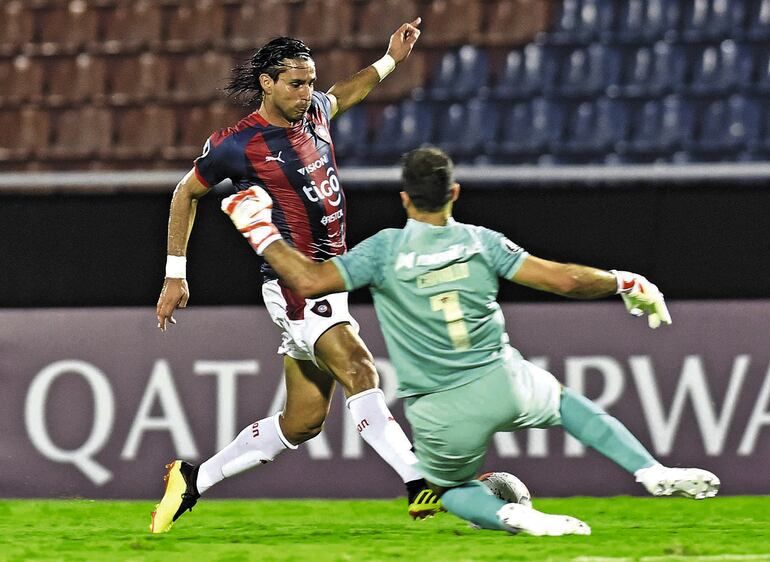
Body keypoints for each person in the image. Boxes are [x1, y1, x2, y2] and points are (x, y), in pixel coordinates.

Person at [221, 146, 720, 536]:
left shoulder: (383, 251)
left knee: (446, 487)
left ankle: (512, 518)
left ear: (404, 199)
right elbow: (565, 280)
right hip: (504, 377)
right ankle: (649, 469)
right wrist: (624, 282)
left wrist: (259, 229)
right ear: (454, 193)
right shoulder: (482, 241)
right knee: (570, 405)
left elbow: (307, 283)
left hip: (441, 408)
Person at [150, 21, 443, 534]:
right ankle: (418, 480)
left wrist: (390, 59)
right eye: (297, 84)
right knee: (360, 369)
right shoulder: (236, 144)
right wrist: (176, 274)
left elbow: (346, 92)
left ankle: (193, 480)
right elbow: (184, 194)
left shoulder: (314, 115)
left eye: (311, 83)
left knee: (303, 421)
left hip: (333, 281)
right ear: (267, 82)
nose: (308, 93)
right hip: (297, 285)